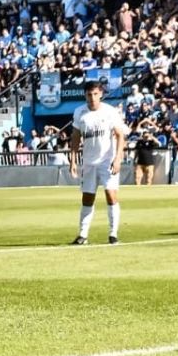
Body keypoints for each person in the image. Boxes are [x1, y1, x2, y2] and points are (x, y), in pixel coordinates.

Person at [69, 80, 129, 245]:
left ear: (101, 94)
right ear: (85, 95)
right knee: (87, 198)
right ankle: (83, 235)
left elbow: (119, 135)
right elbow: (75, 138)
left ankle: (113, 234)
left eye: (95, 94)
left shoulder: (110, 112)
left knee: (111, 195)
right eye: (89, 94)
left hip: (107, 161)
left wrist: (118, 158)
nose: (92, 98)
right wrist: (73, 160)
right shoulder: (79, 112)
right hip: (89, 162)